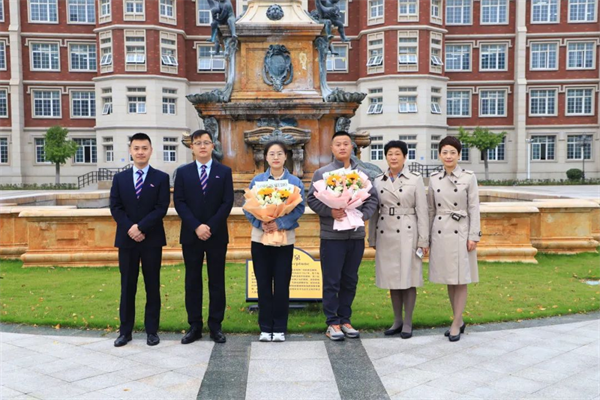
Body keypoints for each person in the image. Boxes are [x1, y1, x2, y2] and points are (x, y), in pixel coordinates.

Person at [307, 131, 379, 341]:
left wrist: (361, 215)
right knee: (332, 281)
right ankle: (332, 322)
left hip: (355, 236)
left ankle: (345, 319)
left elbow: (372, 199)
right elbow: (312, 199)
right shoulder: (322, 174)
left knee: (350, 279)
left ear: (352, 147)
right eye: (337, 144)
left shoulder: (362, 174)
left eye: (346, 143)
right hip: (332, 236)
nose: (342, 147)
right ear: (331, 148)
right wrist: (330, 211)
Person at [109, 133, 170, 347]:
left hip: (151, 239)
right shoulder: (120, 179)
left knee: (152, 286)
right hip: (127, 240)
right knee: (127, 286)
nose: (140, 152)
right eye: (136, 148)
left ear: (151, 150)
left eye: (144, 148)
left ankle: (152, 331)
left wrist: (141, 227)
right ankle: (125, 332)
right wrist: (131, 228)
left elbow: (161, 208)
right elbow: (115, 207)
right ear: (130, 151)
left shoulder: (161, 178)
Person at [174, 129, 234, 344]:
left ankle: (216, 325)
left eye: (206, 142)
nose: (202, 146)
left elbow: (227, 202)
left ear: (212, 146)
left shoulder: (224, 171)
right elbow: (179, 202)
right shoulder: (183, 173)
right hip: (191, 235)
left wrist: (210, 226)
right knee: (192, 280)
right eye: (198, 143)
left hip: (216, 235)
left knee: (217, 280)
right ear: (192, 147)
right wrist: (197, 226)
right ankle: (195, 325)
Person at [243, 141, 306, 343]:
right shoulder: (257, 181)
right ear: (266, 157)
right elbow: (247, 207)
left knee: (281, 282)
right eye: (272, 154)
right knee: (262, 282)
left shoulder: (294, 182)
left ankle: (279, 328)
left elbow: (299, 208)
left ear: (286, 156)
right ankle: (265, 327)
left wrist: (279, 223)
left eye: (279, 153)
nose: (276, 157)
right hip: (260, 238)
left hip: (284, 239)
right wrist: (262, 224)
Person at [368, 140, 429, 339]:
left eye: (397, 154)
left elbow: (423, 211)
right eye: (390, 154)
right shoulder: (378, 180)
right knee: (392, 277)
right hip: (386, 231)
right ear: (386, 156)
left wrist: (423, 240)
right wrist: (372, 236)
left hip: (408, 231)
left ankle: (408, 322)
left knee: (409, 278)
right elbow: (374, 211)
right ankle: (397, 320)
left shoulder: (415, 179)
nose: (393, 157)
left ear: (404, 157)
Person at [427, 136, 481, 342]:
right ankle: (458, 319)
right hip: (440, 231)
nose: (448, 156)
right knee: (450, 278)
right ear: (439, 155)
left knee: (461, 278)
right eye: (445, 152)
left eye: (452, 152)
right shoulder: (434, 178)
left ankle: (456, 323)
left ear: (459, 155)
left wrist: (473, 235)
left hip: (461, 231)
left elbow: (474, 207)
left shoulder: (469, 177)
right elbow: (430, 209)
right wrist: (426, 238)